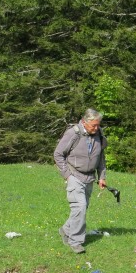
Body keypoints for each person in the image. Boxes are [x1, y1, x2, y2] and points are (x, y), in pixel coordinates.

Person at [53, 108, 108, 254]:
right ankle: (76, 241)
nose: (96, 128)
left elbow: (101, 158)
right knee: (80, 207)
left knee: (81, 209)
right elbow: (58, 154)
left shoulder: (99, 135)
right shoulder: (73, 133)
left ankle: (65, 230)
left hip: (90, 178)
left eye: (98, 125)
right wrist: (67, 175)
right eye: (93, 125)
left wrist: (102, 176)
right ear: (84, 122)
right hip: (74, 176)